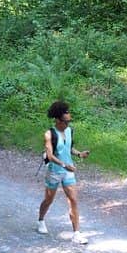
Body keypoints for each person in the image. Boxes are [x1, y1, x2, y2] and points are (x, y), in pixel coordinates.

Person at [35, 100, 91, 244]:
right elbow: (50, 156)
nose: (68, 124)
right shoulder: (49, 134)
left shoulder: (69, 131)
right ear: (58, 120)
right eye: (66, 121)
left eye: (69, 121)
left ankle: (76, 233)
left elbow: (68, 148)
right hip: (55, 171)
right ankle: (41, 220)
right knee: (49, 199)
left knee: (73, 200)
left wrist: (79, 154)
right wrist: (64, 165)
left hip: (68, 171)